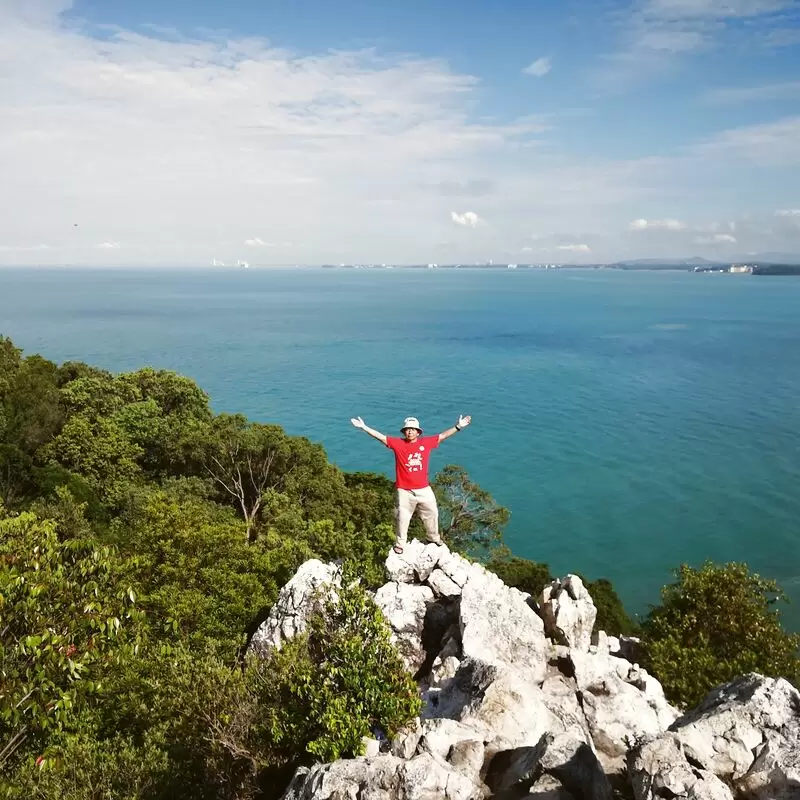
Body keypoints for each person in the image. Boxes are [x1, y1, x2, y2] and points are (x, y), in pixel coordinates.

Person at [350, 414, 472, 554]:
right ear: (404, 431)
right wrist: (364, 427)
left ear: (418, 432)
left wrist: (458, 426)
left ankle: (433, 537)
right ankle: (400, 544)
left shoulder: (425, 443)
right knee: (403, 517)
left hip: (424, 489)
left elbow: (442, 436)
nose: (410, 431)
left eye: (413, 429)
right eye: (407, 429)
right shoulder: (398, 443)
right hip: (404, 490)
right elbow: (381, 437)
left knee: (432, 513)